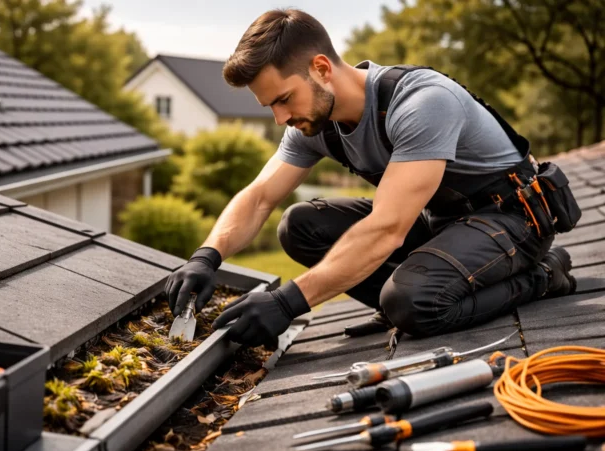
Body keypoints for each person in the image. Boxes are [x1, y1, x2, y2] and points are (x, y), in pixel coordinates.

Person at [164, 8, 576, 348]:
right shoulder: (315, 124)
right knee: (300, 225)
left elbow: (387, 228)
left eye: (284, 99)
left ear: (321, 68)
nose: (280, 118)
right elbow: (258, 198)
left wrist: (287, 303)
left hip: (512, 219)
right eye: (270, 106)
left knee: (414, 303)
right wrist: (207, 256)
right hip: (442, 222)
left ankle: (543, 276)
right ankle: (397, 300)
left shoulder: (420, 102)